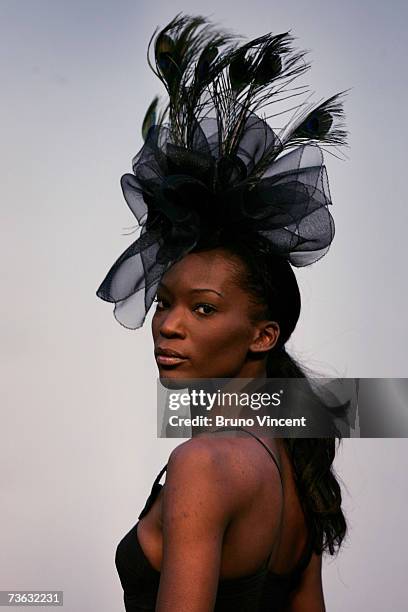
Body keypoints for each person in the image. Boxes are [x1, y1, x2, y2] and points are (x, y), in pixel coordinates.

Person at [97, 14, 348, 611]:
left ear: (264, 335)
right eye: (164, 301)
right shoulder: (296, 456)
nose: (168, 324)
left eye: (203, 308)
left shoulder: (205, 464)